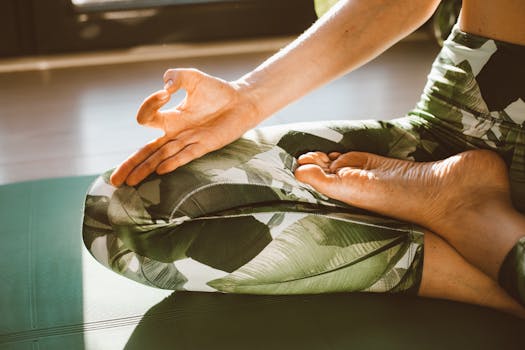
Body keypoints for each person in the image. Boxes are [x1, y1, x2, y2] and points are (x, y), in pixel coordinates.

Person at [83, 0, 525, 318]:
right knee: (126, 215)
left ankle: (476, 229)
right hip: (473, 120)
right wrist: (248, 98)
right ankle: (475, 223)